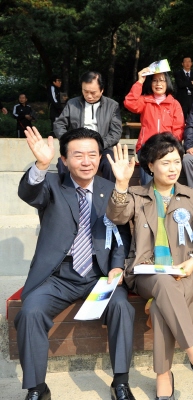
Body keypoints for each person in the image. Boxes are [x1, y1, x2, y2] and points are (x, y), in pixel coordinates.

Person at [15, 126, 134, 400]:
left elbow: (122, 234)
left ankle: (120, 382)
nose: (86, 161)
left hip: (99, 275)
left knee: (121, 308)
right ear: (65, 160)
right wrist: (41, 165)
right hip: (57, 276)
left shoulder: (111, 188)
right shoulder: (52, 184)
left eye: (92, 154)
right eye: (78, 155)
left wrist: (117, 265)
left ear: (100, 157)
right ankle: (37, 388)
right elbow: (29, 193)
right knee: (30, 312)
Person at [106, 133, 193, 399]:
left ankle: (163, 375)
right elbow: (116, 215)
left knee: (162, 304)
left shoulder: (191, 195)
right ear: (150, 165)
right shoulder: (136, 195)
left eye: (176, 162)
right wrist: (122, 184)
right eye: (165, 163)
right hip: (147, 272)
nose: (173, 168)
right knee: (161, 284)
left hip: (183, 272)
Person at [54, 71, 122, 181]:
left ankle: (109, 195)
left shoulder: (112, 105)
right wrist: (68, 141)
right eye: (85, 91)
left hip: (103, 148)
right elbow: (59, 124)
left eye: (93, 92)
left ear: (102, 90)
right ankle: (65, 194)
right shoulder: (72, 103)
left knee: (111, 165)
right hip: (77, 147)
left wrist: (99, 144)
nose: (89, 96)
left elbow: (116, 132)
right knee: (63, 164)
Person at [124, 66, 184, 185]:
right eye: (155, 80)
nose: (158, 84)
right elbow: (129, 103)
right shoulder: (145, 101)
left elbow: (178, 129)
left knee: (164, 180)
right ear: (150, 83)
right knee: (148, 183)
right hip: (146, 147)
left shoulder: (174, 104)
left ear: (167, 83)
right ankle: (148, 201)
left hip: (167, 147)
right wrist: (140, 81)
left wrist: (170, 146)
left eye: (162, 80)